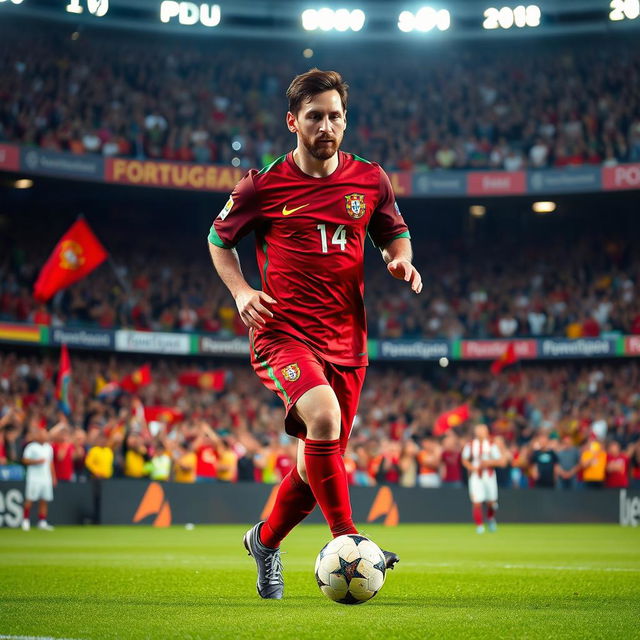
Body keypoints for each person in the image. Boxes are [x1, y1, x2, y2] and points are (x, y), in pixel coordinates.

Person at [208, 68, 422, 599]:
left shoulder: (370, 179)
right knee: (323, 417)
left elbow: (394, 232)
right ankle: (349, 540)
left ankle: (264, 541)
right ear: (293, 122)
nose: (326, 126)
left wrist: (399, 261)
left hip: (348, 341)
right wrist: (240, 292)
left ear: (345, 122)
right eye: (315, 117)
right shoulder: (262, 186)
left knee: (311, 468)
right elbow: (218, 240)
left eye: (335, 116)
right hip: (282, 333)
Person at [461, 424, 505, 534]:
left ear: (486, 432)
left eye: (482, 431)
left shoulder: (491, 445)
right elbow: (464, 459)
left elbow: (500, 461)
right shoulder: (470, 445)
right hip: (476, 476)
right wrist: (472, 468)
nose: (480, 433)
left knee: (491, 503)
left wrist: (489, 462)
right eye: (478, 431)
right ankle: (479, 526)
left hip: (488, 475)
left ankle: (490, 518)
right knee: (477, 502)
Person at [21, 427, 56, 531]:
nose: (44, 436)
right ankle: (25, 521)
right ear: (37, 435)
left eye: (46, 434)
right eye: (42, 434)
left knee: (44, 500)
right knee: (30, 499)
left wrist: (53, 477)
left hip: (46, 478)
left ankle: (42, 522)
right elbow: (25, 460)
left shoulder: (49, 447)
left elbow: (50, 463)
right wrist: (36, 462)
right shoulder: (31, 447)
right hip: (34, 478)